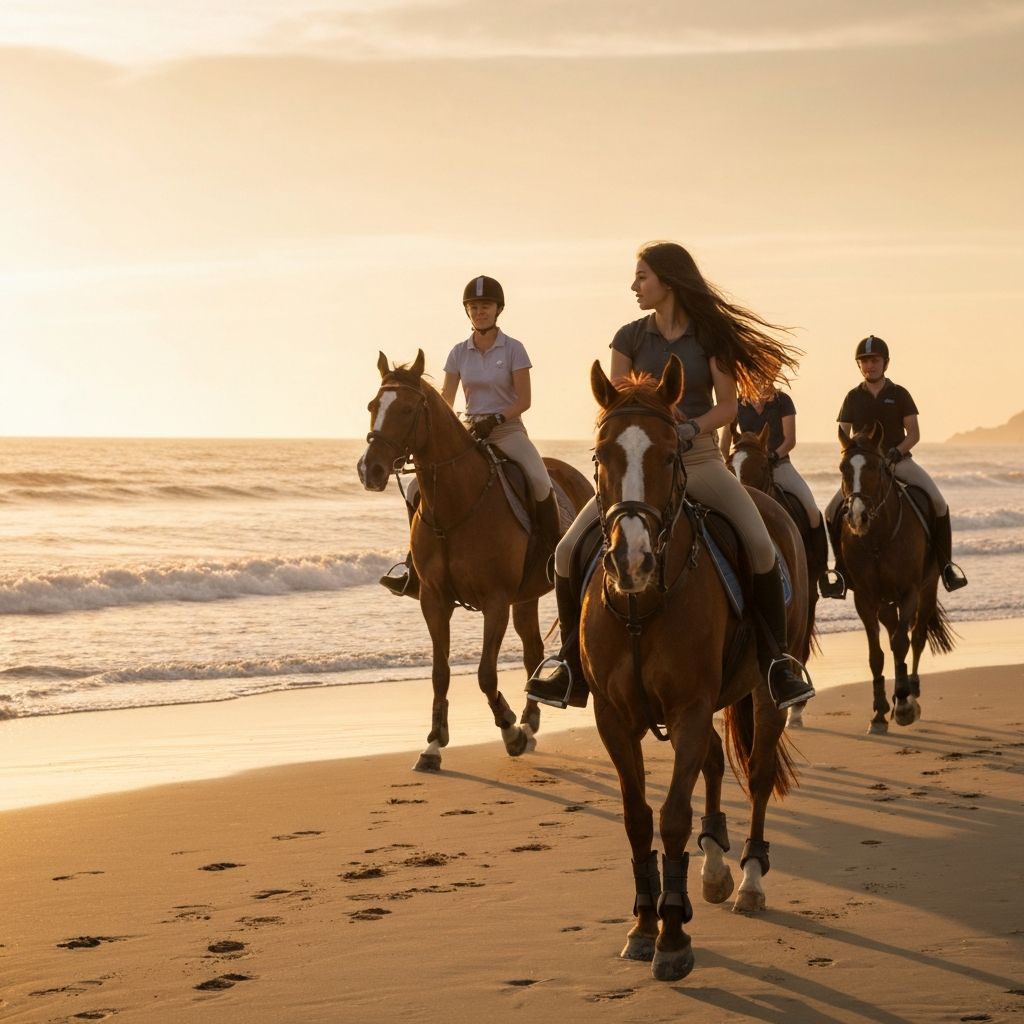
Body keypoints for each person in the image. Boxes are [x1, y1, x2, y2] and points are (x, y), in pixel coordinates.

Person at [527, 241, 816, 712]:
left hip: (699, 459)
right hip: (640, 466)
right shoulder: (628, 337)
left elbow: (726, 406)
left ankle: (776, 663)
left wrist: (689, 427)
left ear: (669, 280)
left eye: (642, 277)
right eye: (636, 278)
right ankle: (568, 666)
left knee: (762, 544)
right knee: (565, 551)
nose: (634, 286)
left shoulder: (711, 339)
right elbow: (615, 402)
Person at [379, 275, 561, 598]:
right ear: (468, 312)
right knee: (412, 489)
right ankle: (414, 565)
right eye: (474, 307)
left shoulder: (515, 349)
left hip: (507, 431)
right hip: (471, 432)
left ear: (498, 309)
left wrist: (496, 419)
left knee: (539, 479)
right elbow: (446, 402)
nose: (480, 312)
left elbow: (524, 400)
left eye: (485, 306)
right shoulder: (458, 353)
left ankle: (552, 555)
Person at [823, 335, 967, 596]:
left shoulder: (900, 394)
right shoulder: (852, 397)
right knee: (831, 511)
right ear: (859, 366)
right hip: (867, 467)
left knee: (938, 502)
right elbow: (842, 433)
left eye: (874, 360)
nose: (870, 366)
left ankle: (946, 566)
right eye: (864, 362)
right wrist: (854, 454)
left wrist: (895, 452)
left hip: (897, 462)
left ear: (885, 363)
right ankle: (840, 571)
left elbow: (913, 433)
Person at [720, 385, 840, 597]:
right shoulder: (737, 404)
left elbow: (790, 439)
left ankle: (821, 574)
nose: (759, 377)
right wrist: (724, 465)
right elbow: (725, 442)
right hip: (745, 465)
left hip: (778, 463)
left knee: (812, 511)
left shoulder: (783, 401)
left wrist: (774, 455)